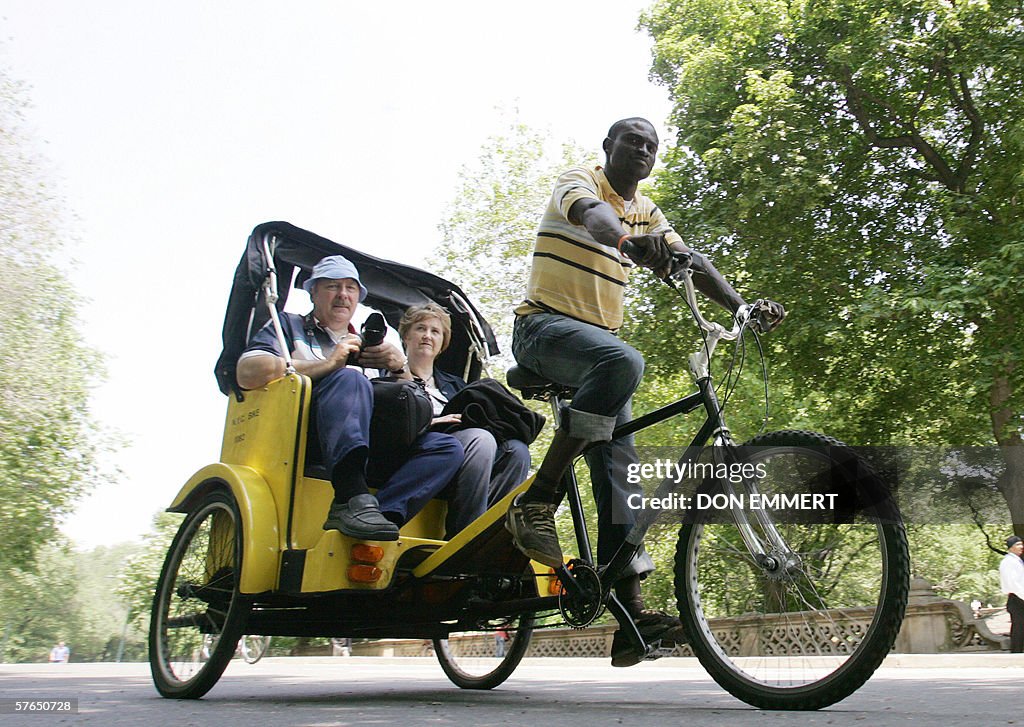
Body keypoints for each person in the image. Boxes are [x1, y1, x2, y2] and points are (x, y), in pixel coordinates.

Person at [506, 117, 785, 667]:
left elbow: (693, 262)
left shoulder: (650, 212)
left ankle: (631, 620)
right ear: (607, 147)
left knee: (620, 470)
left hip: (596, 352)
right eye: (631, 140)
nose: (642, 149)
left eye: (651, 145)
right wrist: (631, 243)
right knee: (625, 360)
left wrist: (742, 307)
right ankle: (539, 498)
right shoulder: (579, 181)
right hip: (542, 331)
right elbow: (593, 218)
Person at [236, 255, 464, 541]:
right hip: (306, 435)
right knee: (349, 377)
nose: (343, 295)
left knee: (447, 447)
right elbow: (247, 372)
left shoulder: (371, 345)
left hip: (370, 443)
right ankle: (349, 496)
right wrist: (330, 364)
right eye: (333, 286)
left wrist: (399, 369)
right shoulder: (287, 325)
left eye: (351, 289)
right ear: (313, 292)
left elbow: (403, 407)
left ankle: (381, 518)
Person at [398, 302, 531, 537]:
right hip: (419, 448)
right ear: (406, 336)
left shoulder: (457, 386)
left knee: (517, 452)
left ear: (442, 344)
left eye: (435, 331)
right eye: (420, 328)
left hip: (467, 450)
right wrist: (429, 423)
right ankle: (464, 536)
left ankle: (489, 533)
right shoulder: (389, 375)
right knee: (481, 440)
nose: (427, 336)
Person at [1000, 534, 1024, 652]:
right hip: (1017, 598)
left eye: (1021, 544)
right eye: (1018, 544)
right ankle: (1017, 652)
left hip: (1020, 597)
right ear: (1011, 547)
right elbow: (1013, 584)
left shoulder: (1017, 561)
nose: (1021, 546)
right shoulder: (1008, 562)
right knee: (1019, 627)